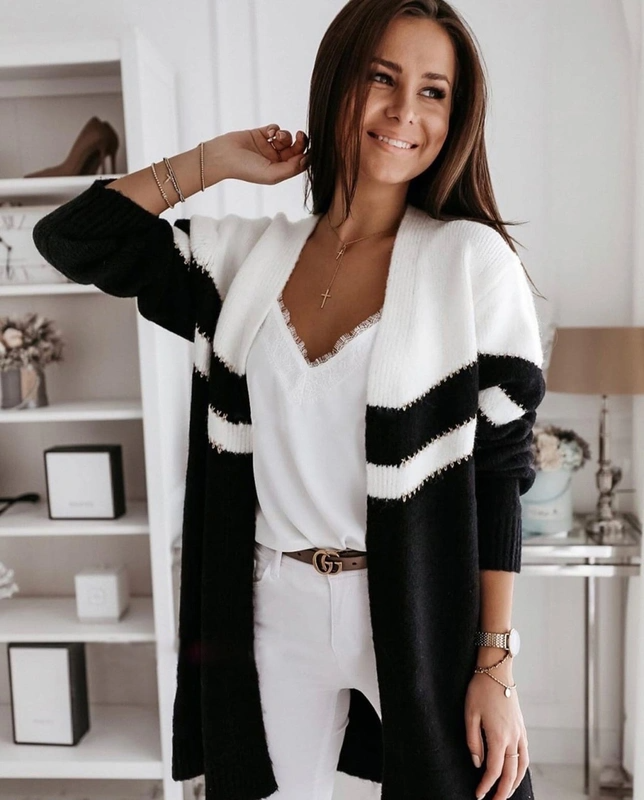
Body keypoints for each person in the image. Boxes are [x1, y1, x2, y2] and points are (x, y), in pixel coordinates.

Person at [32, 1, 547, 798]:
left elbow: (501, 473)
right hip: (272, 601)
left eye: (433, 91)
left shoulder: (470, 265)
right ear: (339, 83)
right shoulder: (244, 261)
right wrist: (210, 162)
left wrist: (496, 664)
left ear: (455, 117)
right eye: (382, 78)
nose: (404, 111)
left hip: (415, 602)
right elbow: (73, 238)